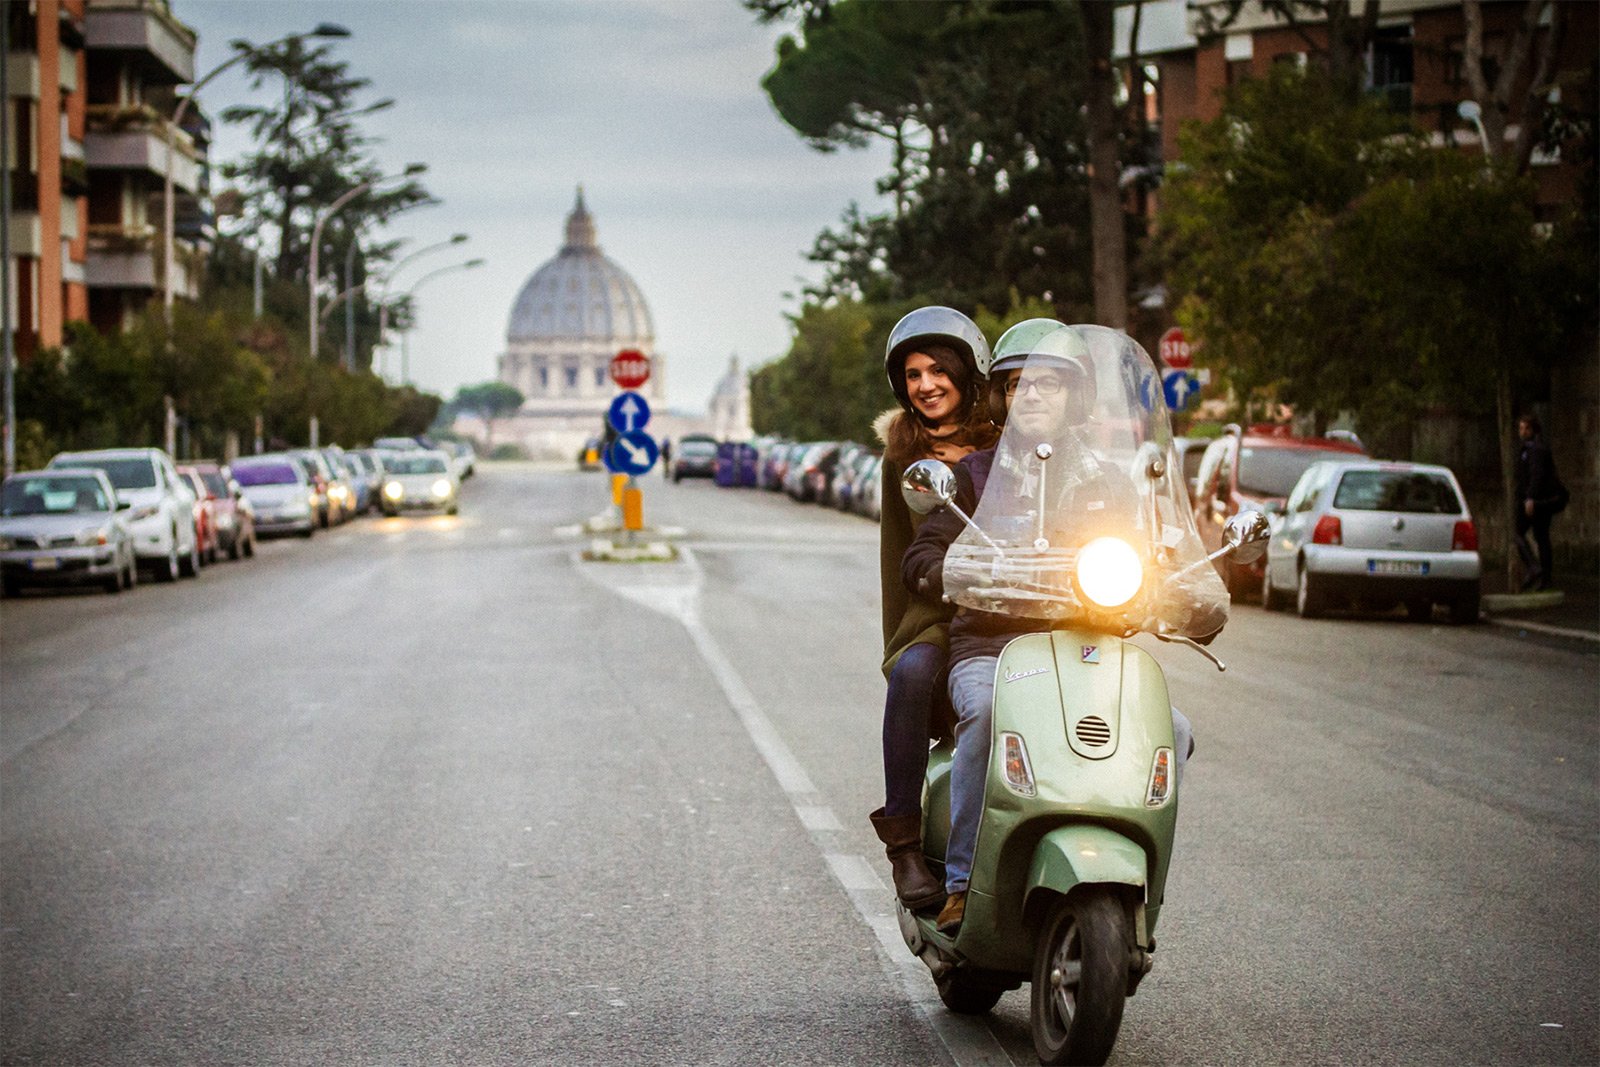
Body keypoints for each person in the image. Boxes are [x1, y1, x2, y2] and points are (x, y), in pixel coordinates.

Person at [902, 323, 1199, 935]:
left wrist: (1183, 585)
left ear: (1074, 399)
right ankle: (961, 882)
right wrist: (947, 570)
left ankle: (1138, 881)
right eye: (1017, 384)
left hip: (1090, 649)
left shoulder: (1109, 482)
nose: (1031, 395)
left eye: (1048, 384)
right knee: (985, 714)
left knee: (1173, 728)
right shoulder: (975, 477)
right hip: (994, 647)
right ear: (1002, 398)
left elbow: (1153, 551)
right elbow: (924, 553)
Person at [870, 307, 1000, 911]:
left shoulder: (1011, 445)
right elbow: (901, 556)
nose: (926, 384)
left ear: (967, 372)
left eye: (938, 370)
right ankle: (904, 846)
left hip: (1017, 605)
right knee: (916, 672)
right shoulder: (902, 459)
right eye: (913, 375)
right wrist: (909, 631)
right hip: (936, 613)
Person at [1513, 414, 1568, 591]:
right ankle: (1544, 577)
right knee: (1540, 537)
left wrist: (1530, 497)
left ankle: (1535, 568)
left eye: (1526, 428)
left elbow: (1536, 475)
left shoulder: (1534, 449)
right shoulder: (1529, 448)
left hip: (1536, 501)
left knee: (1520, 532)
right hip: (1538, 499)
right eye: (1521, 428)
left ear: (1533, 429)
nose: (1523, 432)